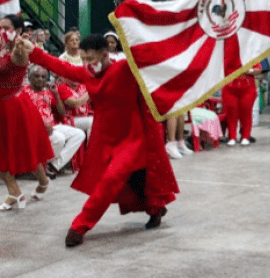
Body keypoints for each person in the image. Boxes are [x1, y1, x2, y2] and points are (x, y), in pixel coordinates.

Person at [20, 34, 179, 247]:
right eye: (84, 59)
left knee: (110, 181)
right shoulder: (86, 73)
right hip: (104, 137)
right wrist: (34, 51)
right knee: (135, 179)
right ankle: (156, 207)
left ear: (105, 55)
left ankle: (79, 226)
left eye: (91, 58)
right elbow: (59, 66)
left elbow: (152, 59)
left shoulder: (124, 68)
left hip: (132, 137)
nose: (87, 63)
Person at [0, 22, 53, 211]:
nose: (1, 30)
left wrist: (12, 43)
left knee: (26, 148)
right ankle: (14, 191)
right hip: (3, 106)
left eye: (5, 27)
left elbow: (15, 63)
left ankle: (43, 180)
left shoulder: (18, 51)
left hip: (14, 105)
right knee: (3, 152)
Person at [23, 65, 86, 176]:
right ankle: (37, 167)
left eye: (43, 77)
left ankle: (53, 166)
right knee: (59, 138)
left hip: (53, 126)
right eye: (36, 76)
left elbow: (61, 112)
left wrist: (56, 94)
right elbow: (22, 115)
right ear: (30, 77)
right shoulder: (24, 92)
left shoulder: (47, 92)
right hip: (34, 128)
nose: (40, 79)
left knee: (79, 134)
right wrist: (40, 125)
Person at [221, 66, 262, 146]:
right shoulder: (227, 56)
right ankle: (232, 137)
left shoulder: (250, 55)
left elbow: (260, 69)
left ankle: (245, 136)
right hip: (230, 88)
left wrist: (249, 71)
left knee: (246, 112)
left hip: (247, 88)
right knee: (231, 113)